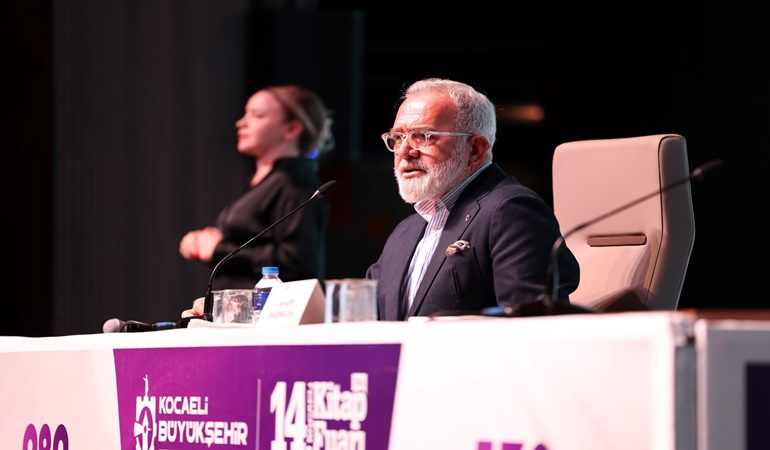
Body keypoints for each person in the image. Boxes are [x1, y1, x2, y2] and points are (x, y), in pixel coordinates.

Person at [366, 78, 580, 320]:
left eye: (423, 136)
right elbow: (366, 316)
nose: (404, 151)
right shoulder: (405, 232)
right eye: (398, 137)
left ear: (475, 149)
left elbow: (533, 326)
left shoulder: (511, 211)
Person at [179, 84, 333, 295]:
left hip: (269, 320)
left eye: (257, 115)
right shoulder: (264, 179)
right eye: (245, 114)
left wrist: (218, 249)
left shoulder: (296, 183)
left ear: (291, 129)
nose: (241, 123)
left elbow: (296, 261)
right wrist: (206, 242)